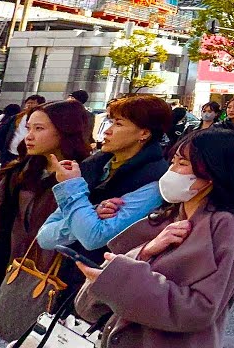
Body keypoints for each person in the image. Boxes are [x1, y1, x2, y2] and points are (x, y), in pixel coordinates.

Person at [72, 128, 234, 348]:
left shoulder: (224, 224)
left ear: (212, 174)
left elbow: (202, 308)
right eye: (173, 161)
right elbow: (89, 306)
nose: (171, 171)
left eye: (182, 164)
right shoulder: (166, 215)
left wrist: (121, 278)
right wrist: (145, 251)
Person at [0, 100, 93, 335]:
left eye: (39, 129)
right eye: (28, 128)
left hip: (67, 290)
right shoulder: (19, 173)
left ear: (66, 131)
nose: (29, 136)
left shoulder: (89, 176)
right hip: (18, 281)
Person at [36, 95, 173, 260]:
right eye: (110, 121)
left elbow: (93, 238)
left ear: (144, 133)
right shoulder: (94, 165)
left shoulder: (154, 180)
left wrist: (72, 186)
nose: (108, 130)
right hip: (67, 272)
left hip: (105, 275)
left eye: (118, 124)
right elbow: (44, 237)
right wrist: (92, 213)